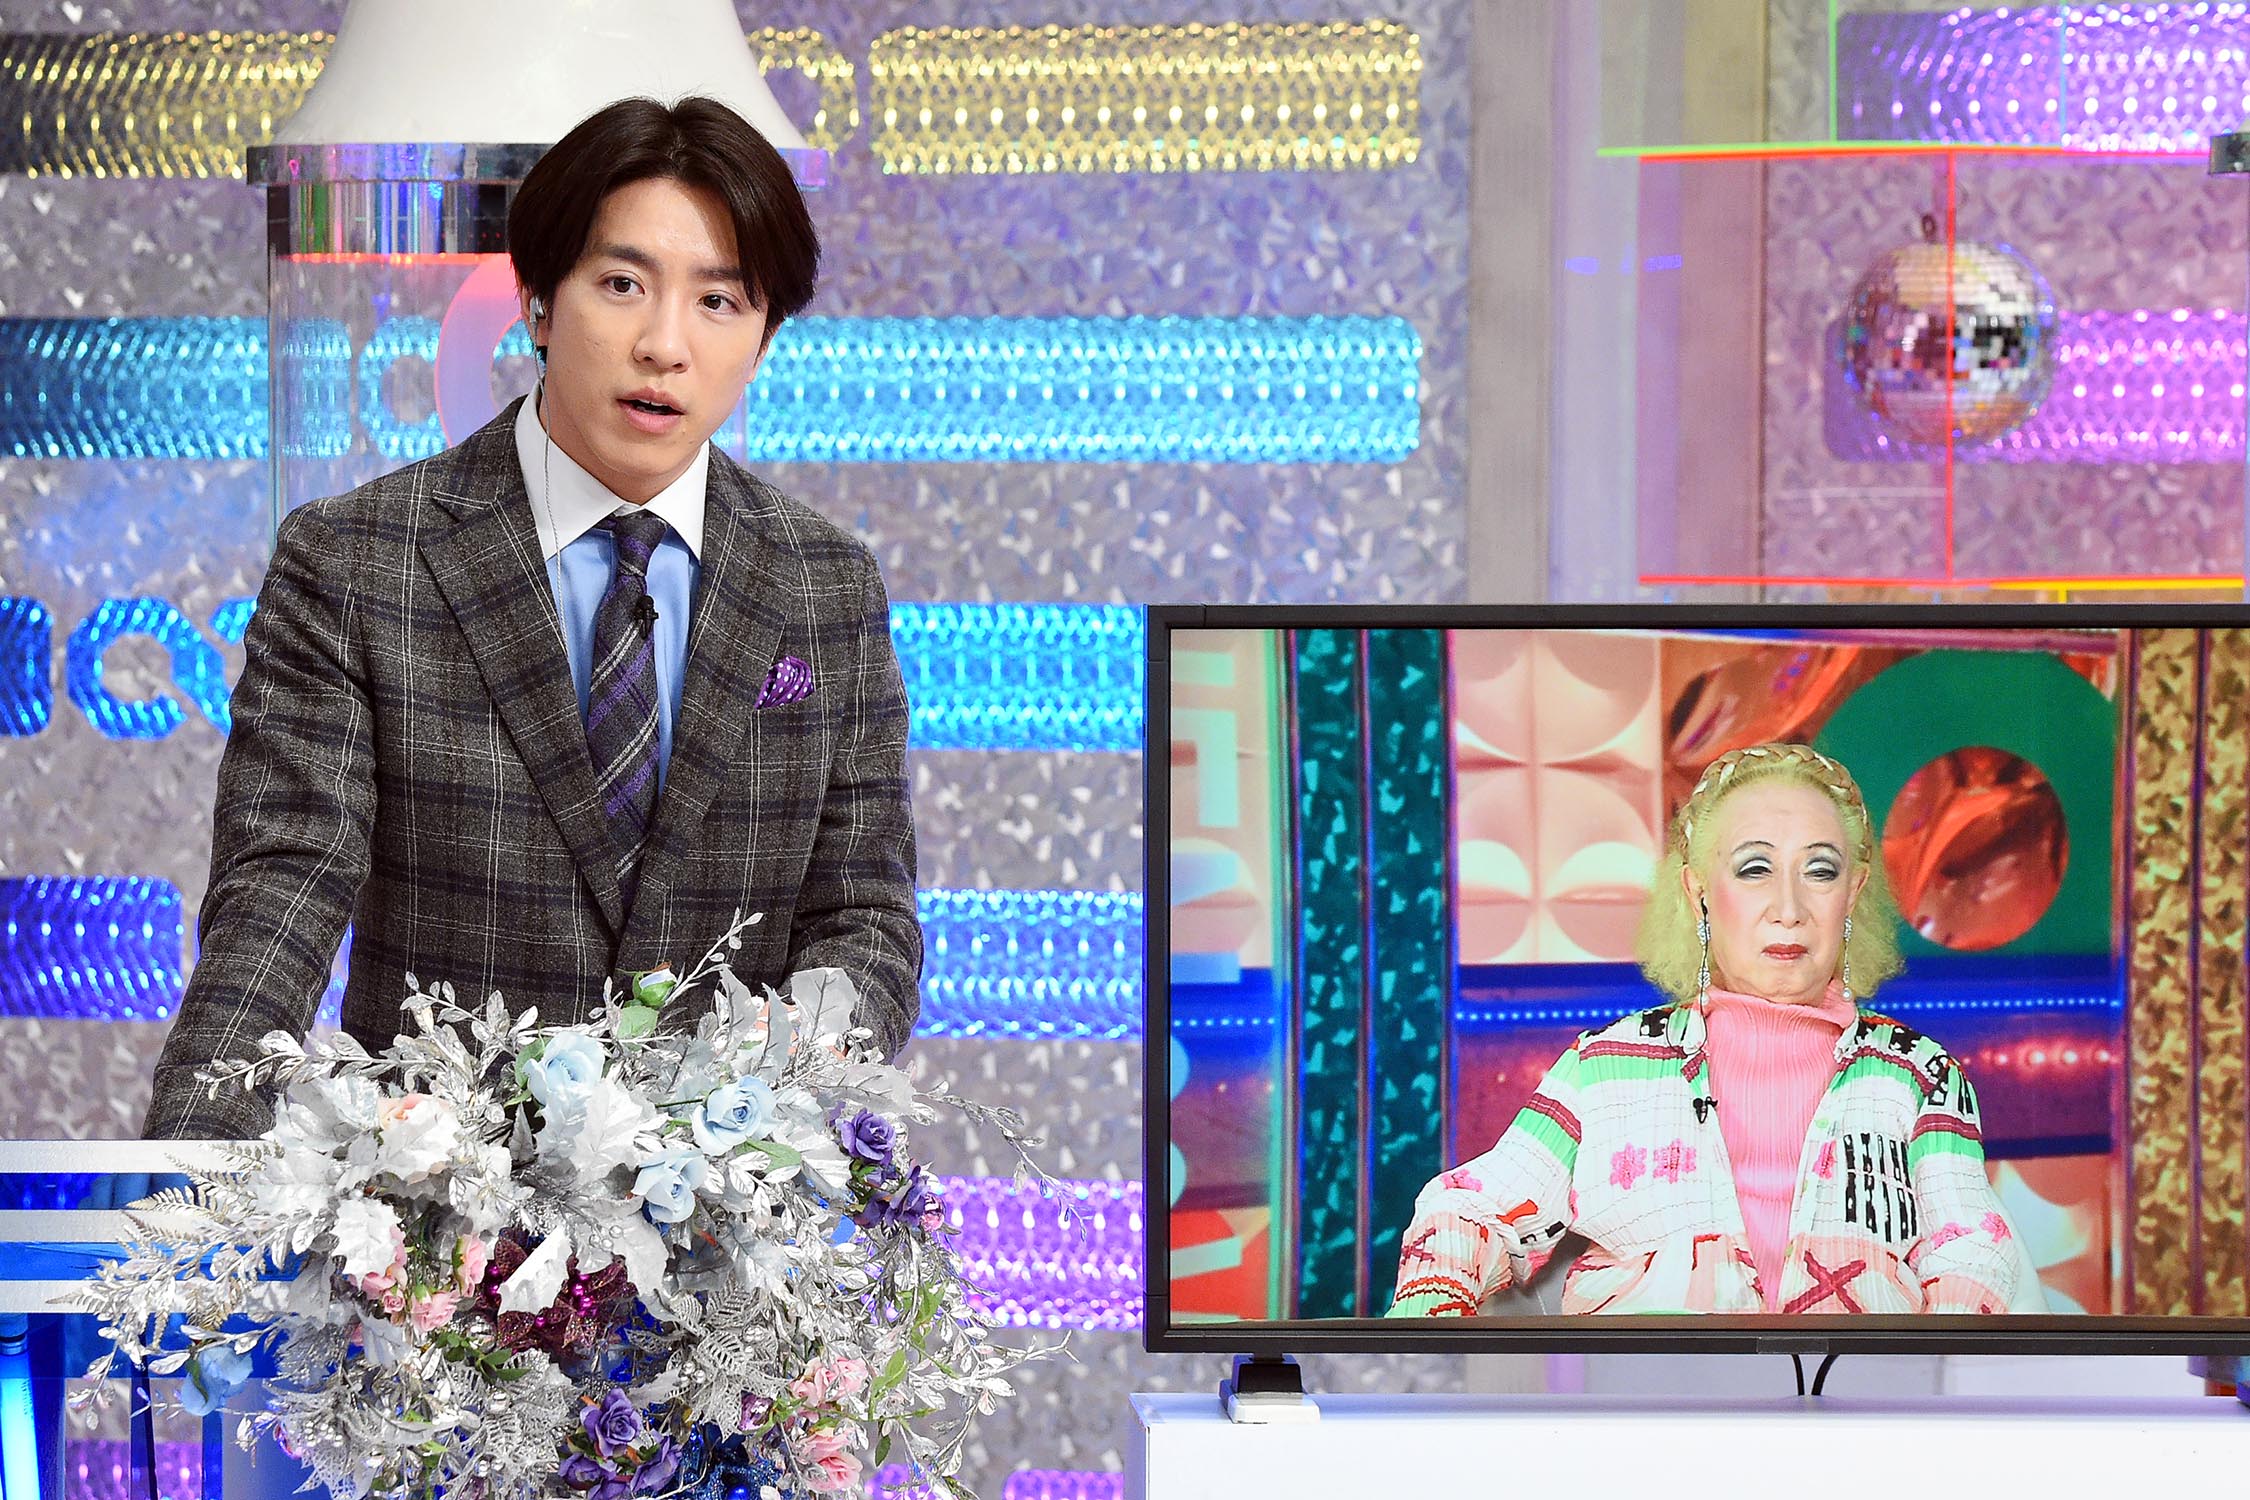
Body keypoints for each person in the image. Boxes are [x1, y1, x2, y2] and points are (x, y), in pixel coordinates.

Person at [137, 96, 921, 1143]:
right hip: (426, 1211)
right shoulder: (358, 560)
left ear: (764, 336)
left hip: (722, 1212)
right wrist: (194, 1169)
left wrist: (764, 1094)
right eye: (623, 285)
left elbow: (864, 917)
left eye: (718, 301)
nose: (664, 345)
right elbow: (284, 888)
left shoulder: (826, 584)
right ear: (539, 303)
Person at [1390, 742, 2039, 1317]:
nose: (1788, 909)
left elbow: (1972, 1250)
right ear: (1699, 892)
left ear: (1852, 893)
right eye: (1755, 869)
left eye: (1820, 872)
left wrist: (1933, 1382)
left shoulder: (1921, 1076)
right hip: (1651, 1403)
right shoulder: (1604, 1066)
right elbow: (1471, 1208)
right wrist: (1431, 1310)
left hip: (1859, 1405)